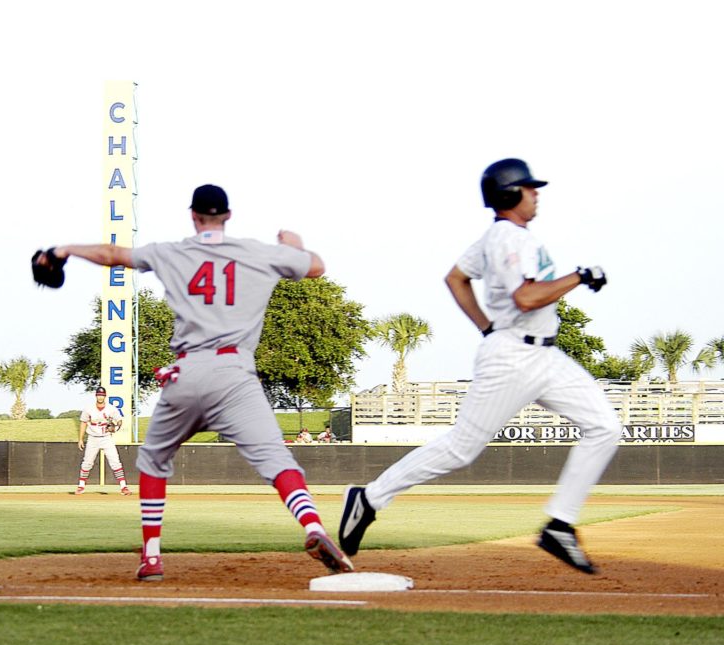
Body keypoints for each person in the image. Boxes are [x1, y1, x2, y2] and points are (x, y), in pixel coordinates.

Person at [41, 184, 353, 581]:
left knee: (154, 459)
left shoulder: (173, 252)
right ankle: (313, 528)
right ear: (228, 216)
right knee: (277, 461)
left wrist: (64, 250)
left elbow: (112, 255)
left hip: (187, 372)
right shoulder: (258, 252)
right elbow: (315, 266)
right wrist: (293, 243)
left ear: (193, 215)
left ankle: (151, 556)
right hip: (235, 375)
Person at [339, 159, 619, 574]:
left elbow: (456, 277)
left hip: (543, 354)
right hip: (513, 357)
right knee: (460, 449)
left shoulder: (501, 236)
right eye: (528, 188)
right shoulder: (507, 238)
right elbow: (525, 298)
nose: (535, 192)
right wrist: (578, 276)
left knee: (605, 426)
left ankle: (560, 524)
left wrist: (486, 326)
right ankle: (369, 498)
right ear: (509, 195)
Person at [76, 386, 130, 496]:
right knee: (87, 463)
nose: (100, 397)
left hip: (106, 438)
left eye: (102, 395)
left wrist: (116, 428)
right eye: (99, 395)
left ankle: (123, 487)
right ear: (96, 395)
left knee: (115, 462)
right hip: (92, 437)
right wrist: (80, 439)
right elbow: (83, 423)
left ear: (105, 396)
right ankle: (81, 486)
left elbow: (119, 421)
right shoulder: (89, 408)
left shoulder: (111, 408)